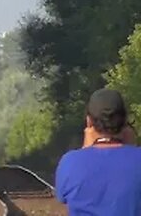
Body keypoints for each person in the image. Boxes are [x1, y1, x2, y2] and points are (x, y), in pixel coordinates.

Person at [55, 88, 141, 216]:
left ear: (89, 121)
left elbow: (63, 198)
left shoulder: (70, 162)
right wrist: (132, 147)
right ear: (125, 120)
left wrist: (86, 148)